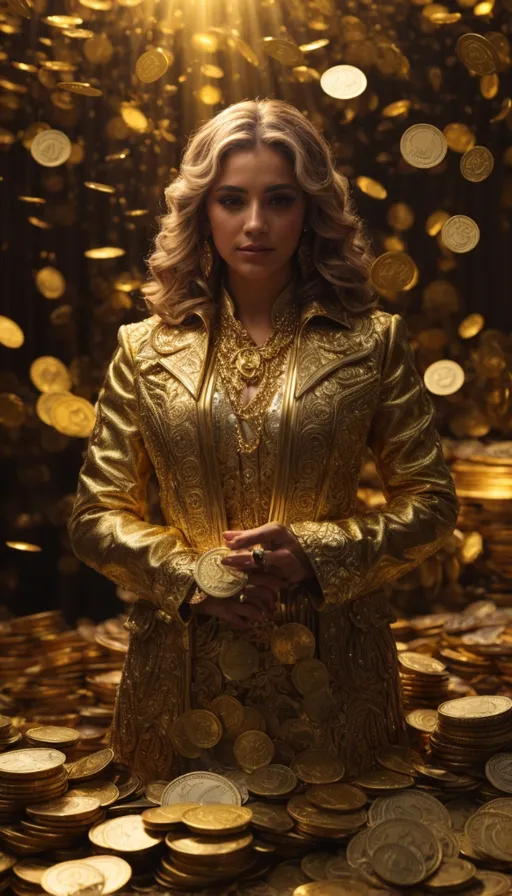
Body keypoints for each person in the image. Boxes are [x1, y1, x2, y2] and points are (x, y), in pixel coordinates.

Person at [67, 98, 459, 784]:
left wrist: (318, 551)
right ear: (202, 210)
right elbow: (93, 520)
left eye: (278, 199)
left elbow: (432, 505)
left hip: (334, 690)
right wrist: (191, 578)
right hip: (177, 691)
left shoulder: (372, 341)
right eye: (231, 199)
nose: (254, 223)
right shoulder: (144, 349)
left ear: (310, 210)